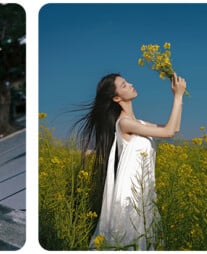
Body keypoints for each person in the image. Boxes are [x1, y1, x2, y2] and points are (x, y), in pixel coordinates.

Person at [75, 73, 186, 249]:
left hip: (143, 190)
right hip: (129, 194)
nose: (131, 84)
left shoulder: (138, 122)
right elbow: (168, 132)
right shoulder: (124, 123)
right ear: (117, 98)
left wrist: (176, 96)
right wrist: (178, 96)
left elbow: (174, 127)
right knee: (127, 240)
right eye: (124, 85)